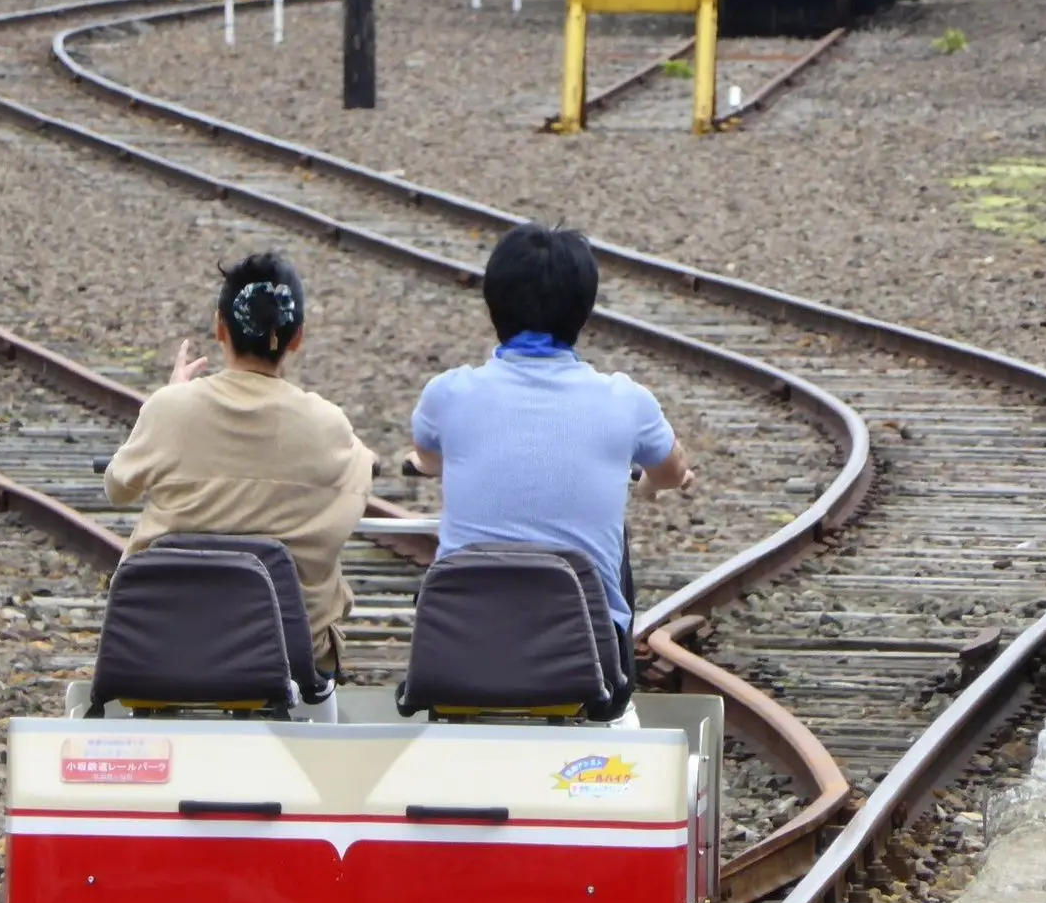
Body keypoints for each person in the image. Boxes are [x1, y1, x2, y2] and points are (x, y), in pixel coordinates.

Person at [405, 223, 693, 716]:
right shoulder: (626, 401)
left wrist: (426, 464)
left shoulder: (447, 394)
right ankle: (614, 689)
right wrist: (652, 484)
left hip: (458, 658)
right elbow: (672, 469)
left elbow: (428, 457)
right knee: (614, 546)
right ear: (584, 310)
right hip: (588, 665)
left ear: (493, 304)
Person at [104, 253, 375, 719]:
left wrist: (170, 397)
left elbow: (117, 488)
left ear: (220, 327)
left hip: (163, 640)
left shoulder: (171, 409)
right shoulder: (328, 424)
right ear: (298, 337)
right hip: (289, 653)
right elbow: (360, 479)